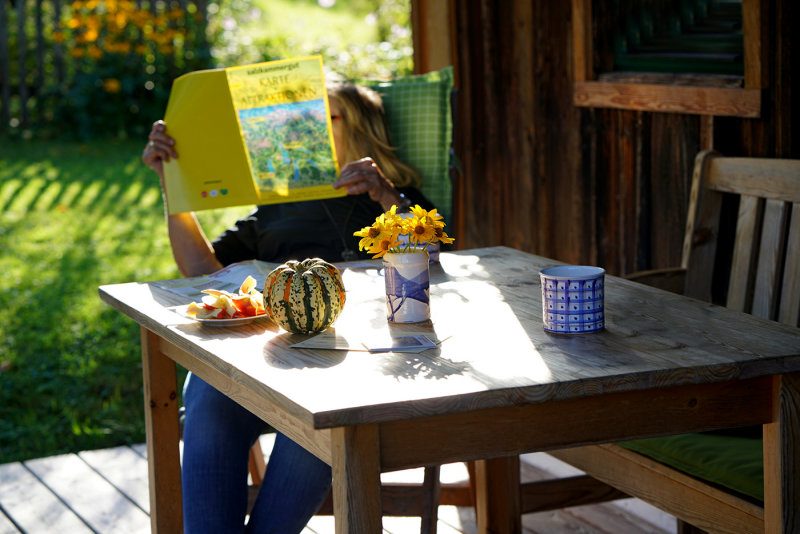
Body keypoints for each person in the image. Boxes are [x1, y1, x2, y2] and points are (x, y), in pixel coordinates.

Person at [142, 79, 432, 533]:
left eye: (324, 114)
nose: (304, 125)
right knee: (207, 390)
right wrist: (171, 181)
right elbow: (201, 267)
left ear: (360, 128)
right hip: (269, 354)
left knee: (324, 410)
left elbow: (434, 262)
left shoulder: (391, 196)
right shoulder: (278, 207)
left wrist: (384, 194)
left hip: (352, 363)